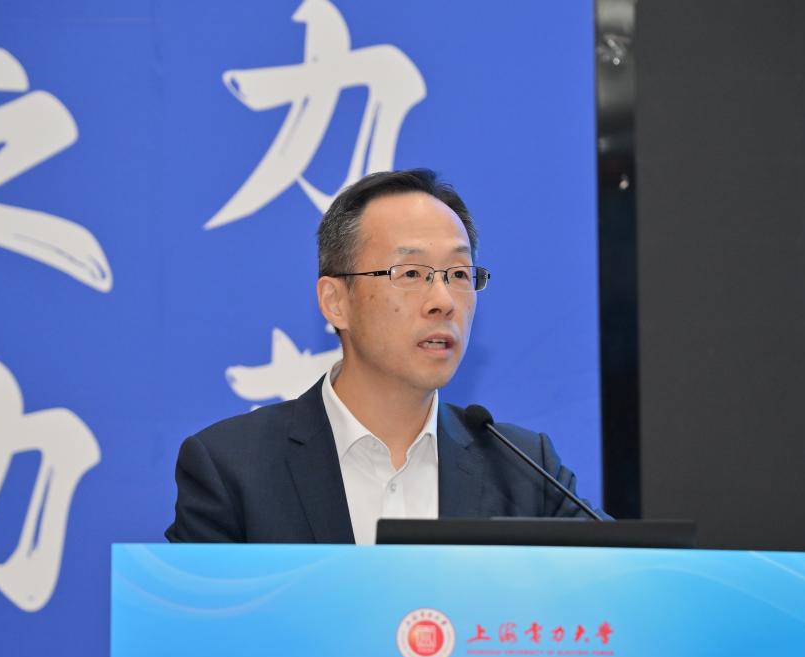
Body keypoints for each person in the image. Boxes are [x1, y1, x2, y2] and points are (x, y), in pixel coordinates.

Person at [166, 169, 598, 543]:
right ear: (336, 302)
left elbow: (613, 586)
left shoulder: (525, 469)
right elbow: (203, 614)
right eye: (410, 273)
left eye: (459, 274)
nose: (443, 301)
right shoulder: (232, 469)